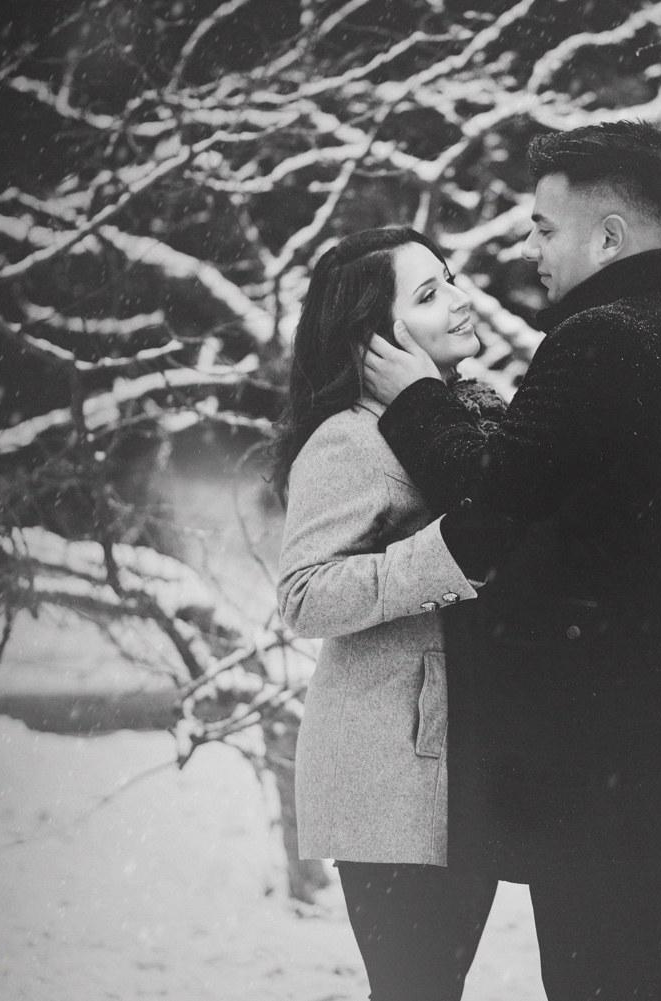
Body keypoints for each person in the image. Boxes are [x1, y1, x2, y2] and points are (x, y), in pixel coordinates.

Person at [363, 121, 661, 1001]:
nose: (527, 245)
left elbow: (490, 498)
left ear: (607, 236)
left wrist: (417, 397)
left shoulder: (602, 340)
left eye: (543, 227)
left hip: (600, 772)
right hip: (659, 756)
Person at [272, 227, 504, 1001]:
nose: (460, 301)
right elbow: (303, 594)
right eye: (429, 294)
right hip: (389, 772)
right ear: (375, 338)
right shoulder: (350, 440)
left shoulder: (459, 419)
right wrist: (443, 556)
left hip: (454, 767)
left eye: (451, 279)